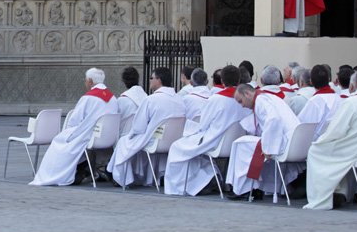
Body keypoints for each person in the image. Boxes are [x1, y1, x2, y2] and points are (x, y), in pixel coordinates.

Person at [304, 69, 357, 210]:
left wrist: (321, 140)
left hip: (356, 150)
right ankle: (340, 191)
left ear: (354, 85)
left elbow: (336, 131)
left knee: (316, 151)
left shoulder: (352, 102)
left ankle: (324, 197)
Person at [164, 65, 250, 196]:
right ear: (239, 81)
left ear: (222, 81)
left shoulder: (216, 99)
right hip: (235, 142)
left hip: (215, 141)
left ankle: (184, 186)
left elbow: (203, 125)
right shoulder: (246, 100)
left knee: (176, 147)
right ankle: (207, 178)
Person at [30, 68, 118, 186]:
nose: (85, 82)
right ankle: (83, 168)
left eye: (86, 80)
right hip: (107, 137)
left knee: (59, 140)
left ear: (90, 81)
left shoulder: (88, 98)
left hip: (90, 136)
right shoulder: (112, 98)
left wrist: (69, 131)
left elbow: (74, 120)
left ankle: (61, 173)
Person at [227, 65, 300, 199]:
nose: (241, 105)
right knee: (245, 144)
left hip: (282, 142)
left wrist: (267, 146)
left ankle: (243, 189)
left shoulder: (261, 100)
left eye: (240, 101)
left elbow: (274, 119)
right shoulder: (265, 98)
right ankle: (253, 187)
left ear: (247, 94)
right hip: (292, 140)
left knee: (239, 144)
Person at [108, 67, 186, 188]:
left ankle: (123, 177)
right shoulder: (179, 99)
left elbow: (138, 126)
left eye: (151, 78)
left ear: (158, 80)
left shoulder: (151, 99)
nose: (149, 81)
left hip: (155, 141)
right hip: (173, 141)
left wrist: (133, 134)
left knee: (124, 141)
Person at [298, 65, 337, 138]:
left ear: (311, 81)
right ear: (328, 79)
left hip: (320, 144)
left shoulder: (315, 101)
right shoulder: (338, 98)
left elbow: (303, 126)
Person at [116, 66, 146, 137]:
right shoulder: (146, 98)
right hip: (142, 138)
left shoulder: (122, 100)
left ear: (124, 81)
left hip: (124, 138)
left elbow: (116, 123)